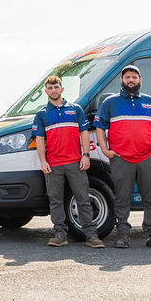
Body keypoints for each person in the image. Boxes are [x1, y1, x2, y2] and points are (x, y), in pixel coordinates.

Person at [94, 65, 151, 249]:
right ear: (122, 80)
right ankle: (122, 234)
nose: (131, 80)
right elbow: (99, 127)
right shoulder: (110, 103)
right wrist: (105, 150)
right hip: (121, 158)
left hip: (148, 157)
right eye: (128, 77)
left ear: (140, 80)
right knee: (121, 198)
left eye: (134, 77)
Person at [32, 76, 104, 248]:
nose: (53, 90)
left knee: (83, 198)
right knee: (55, 200)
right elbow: (40, 140)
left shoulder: (75, 109)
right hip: (53, 164)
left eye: (56, 87)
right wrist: (43, 161)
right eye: (50, 88)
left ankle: (91, 236)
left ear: (62, 89)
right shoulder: (42, 114)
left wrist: (85, 155)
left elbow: (84, 133)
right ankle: (60, 234)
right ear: (46, 91)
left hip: (75, 163)